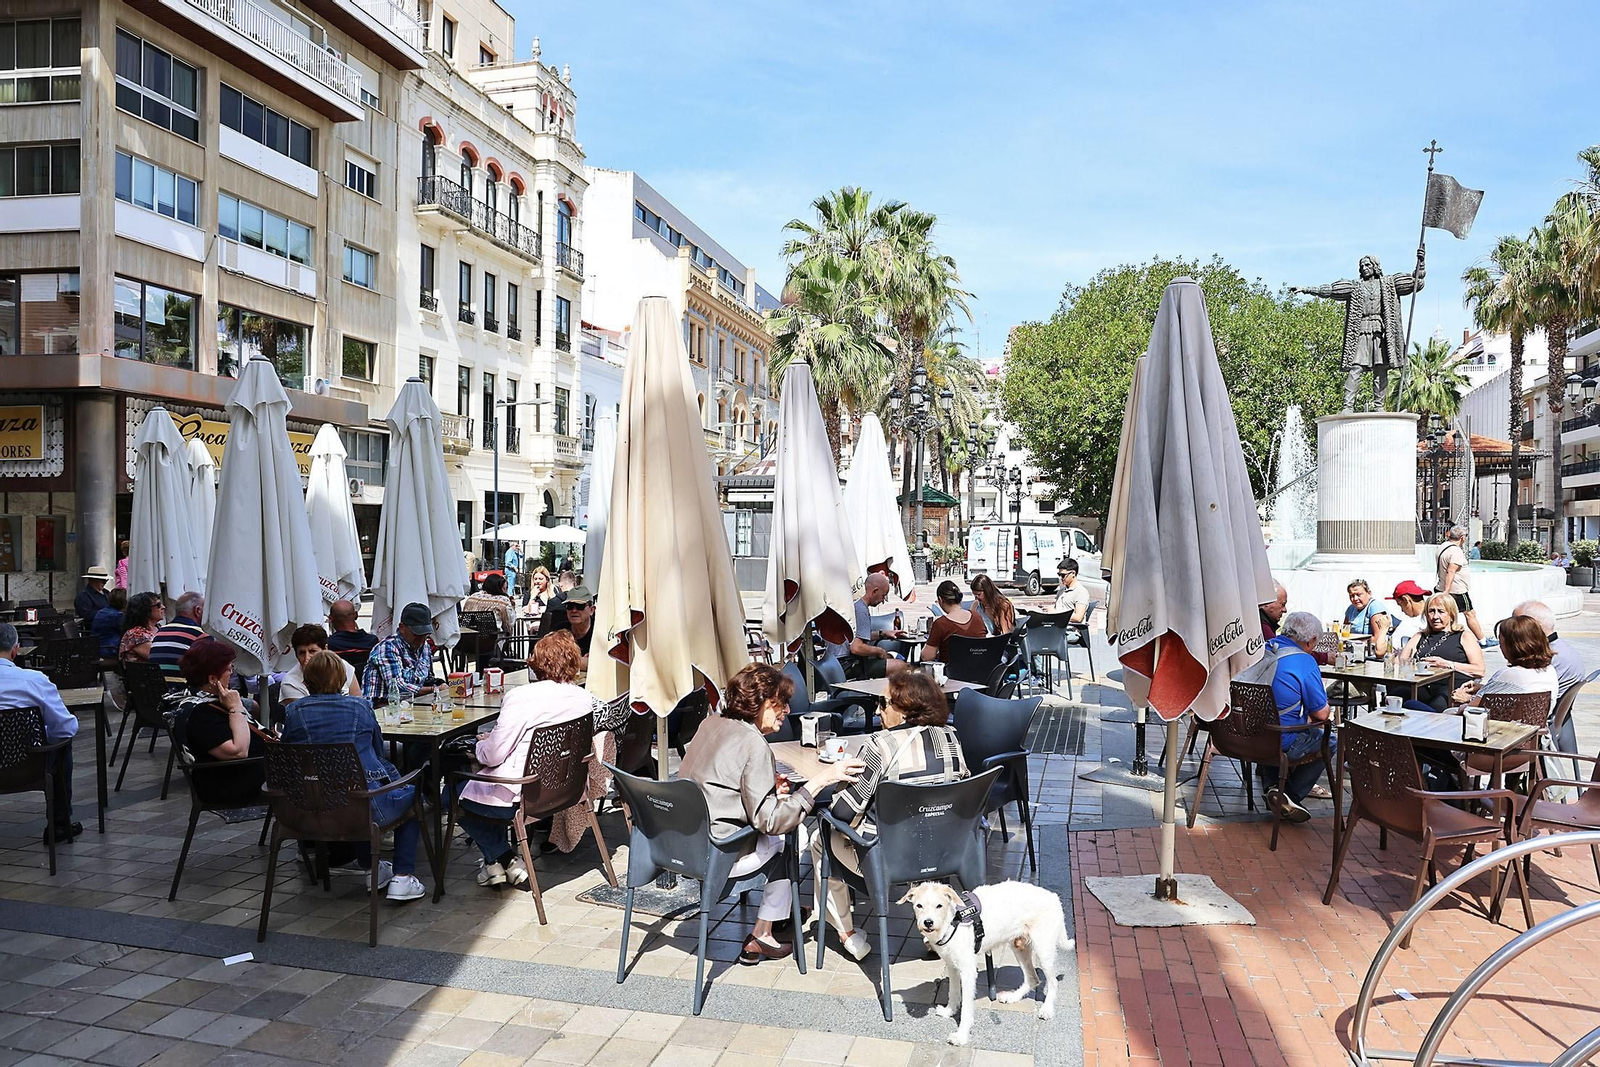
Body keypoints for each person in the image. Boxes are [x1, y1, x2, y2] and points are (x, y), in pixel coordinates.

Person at [678, 664, 862, 964]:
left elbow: (720, 781)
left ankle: (782, 910)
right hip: (719, 853)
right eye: (780, 703)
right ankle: (762, 934)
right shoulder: (754, 743)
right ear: (760, 702)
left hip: (682, 843)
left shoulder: (711, 723)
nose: (786, 711)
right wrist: (820, 781)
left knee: (786, 827)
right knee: (791, 835)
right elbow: (772, 822)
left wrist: (766, 786)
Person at [815, 670, 969, 960]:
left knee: (819, 838)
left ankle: (848, 935)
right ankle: (934, 936)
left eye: (884, 703)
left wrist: (835, 785)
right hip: (941, 853)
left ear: (906, 709)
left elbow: (844, 812)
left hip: (887, 861)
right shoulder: (952, 738)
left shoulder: (881, 744)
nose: (877, 710)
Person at [281, 651, 428, 902]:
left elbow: (288, 756)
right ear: (341, 680)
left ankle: (372, 869)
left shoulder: (294, 712)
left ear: (306, 681)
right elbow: (378, 753)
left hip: (309, 811)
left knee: (356, 789)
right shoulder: (360, 707)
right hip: (360, 806)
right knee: (411, 796)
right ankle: (402, 877)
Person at [457, 631, 592, 887]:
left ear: (537, 662)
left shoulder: (522, 697)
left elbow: (493, 755)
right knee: (476, 789)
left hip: (524, 794)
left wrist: (480, 745)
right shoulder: (583, 697)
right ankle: (495, 865)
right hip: (564, 790)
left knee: (451, 795)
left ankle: (504, 858)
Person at [0, 622, 80, 842]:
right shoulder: (34, 680)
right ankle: (60, 823)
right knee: (63, 744)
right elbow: (66, 728)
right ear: (15, 650)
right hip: (28, 767)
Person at [165, 638, 267, 807]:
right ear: (213, 678)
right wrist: (236, 708)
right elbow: (238, 752)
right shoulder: (200, 713)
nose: (232, 673)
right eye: (229, 669)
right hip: (232, 785)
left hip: (247, 773)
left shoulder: (207, 701)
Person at [1258, 612, 1335, 824]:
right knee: (1330, 740)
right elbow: (1322, 714)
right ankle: (1289, 795)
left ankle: (1272, 788)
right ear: (1311, 640)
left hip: (1244, 735)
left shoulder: (1260, 649)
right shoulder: (1304, 661)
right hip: (1279, 739)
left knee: (1273, 725)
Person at [1401, 593, 1486, 710]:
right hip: (1421, 685)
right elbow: (1401, 661)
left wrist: (1447, 664)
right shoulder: (1420, 636)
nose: (1435, 616)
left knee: (1436, 704)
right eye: (1431, 611)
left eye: (1441, 611)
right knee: (1398, 693)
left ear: (1451, 614)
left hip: (1449, 687)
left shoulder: (1463, 636)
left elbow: (1480, 670)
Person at [823, 573, 907, 679]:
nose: (883, 601)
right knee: (900, 666)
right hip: (845, 665)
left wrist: (883, 634)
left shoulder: (853, 602)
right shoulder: (861, 610)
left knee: (890, 659)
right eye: (883, 596)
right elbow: (856, 648)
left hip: (832, 661)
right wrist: (879, 651)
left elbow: (855, 636)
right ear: (875, 591)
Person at [362, 603, 438, 701]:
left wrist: (440, 684)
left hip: (412, 703)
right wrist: (433, 689)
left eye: (425, 635)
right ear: (402, 628)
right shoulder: (388, 647)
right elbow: (397, 688)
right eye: (417, 634)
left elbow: (428, 678)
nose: (421, 639)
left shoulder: (425, 646)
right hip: (381, 705)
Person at [279, 624, 360, 703]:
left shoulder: (343, 667)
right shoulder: (290, 683)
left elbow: (359, 703)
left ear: (325, 649)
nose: (307, 658)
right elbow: (304, 710)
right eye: (302, 653)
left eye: (312, 651)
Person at [1435, 525, 1485, 643]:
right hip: (1457, 590)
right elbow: (1451, 571)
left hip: (1441, 587)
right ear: (1462, 537)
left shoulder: (1442, 547)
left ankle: (1443, 639)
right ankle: (1482, 641)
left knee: (1446, 615)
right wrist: (1447, 591)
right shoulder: (1456, 551)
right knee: (1470, 613)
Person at [921, 580, 987, 662]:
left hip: (950, 669)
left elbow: (927, 657)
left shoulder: (940, 624)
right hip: (979, 667)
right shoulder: (977, 617)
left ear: (940, 600)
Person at [149, 592, 206, 671]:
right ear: (198, 610)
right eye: (205, 609)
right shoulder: (200, 635)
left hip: (158, 679)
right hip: (183, 679)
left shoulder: (160, 632)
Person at [1372, 580, 1429, 657]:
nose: (1402, 610)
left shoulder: (1410, 623)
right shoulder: (1434, 618)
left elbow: (1380, 652)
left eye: (1400, 604)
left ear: (1405, 599)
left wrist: (1383, 629)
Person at [463, 572, 517, 638]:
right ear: (498, 588)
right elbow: (511, 622)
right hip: (493, 640)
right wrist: (512, 607)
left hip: (469, 638)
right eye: (504, 588)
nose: (505, 591)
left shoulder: (472, 597)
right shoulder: (503, 601)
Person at [119, 591, 165, 664]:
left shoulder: (160, 628)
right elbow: (159, 656)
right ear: (145, 610)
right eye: (158, 605)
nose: (163, 607)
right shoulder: (135, 634)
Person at [536, 570, 579, 638]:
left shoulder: (553, 602)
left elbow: (546, 626)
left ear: (560, 585)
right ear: (575, 584)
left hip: (556, 639)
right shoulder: (582, 603)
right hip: (578, 638)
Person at [92, 588, 128, 658]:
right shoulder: (117, 616)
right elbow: (126, 632)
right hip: (109, 649)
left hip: (97, 648)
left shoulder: (102, 611)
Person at [1053, 558, 1090, 623]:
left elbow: (1078, 618)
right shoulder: (1061, 591)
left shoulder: (1081, 592)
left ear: (1073, 573)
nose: (1061, 578)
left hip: (1071, 628)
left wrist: (1056, 613)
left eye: (1063, 575)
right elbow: (1055, 609)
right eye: (1059, 575)